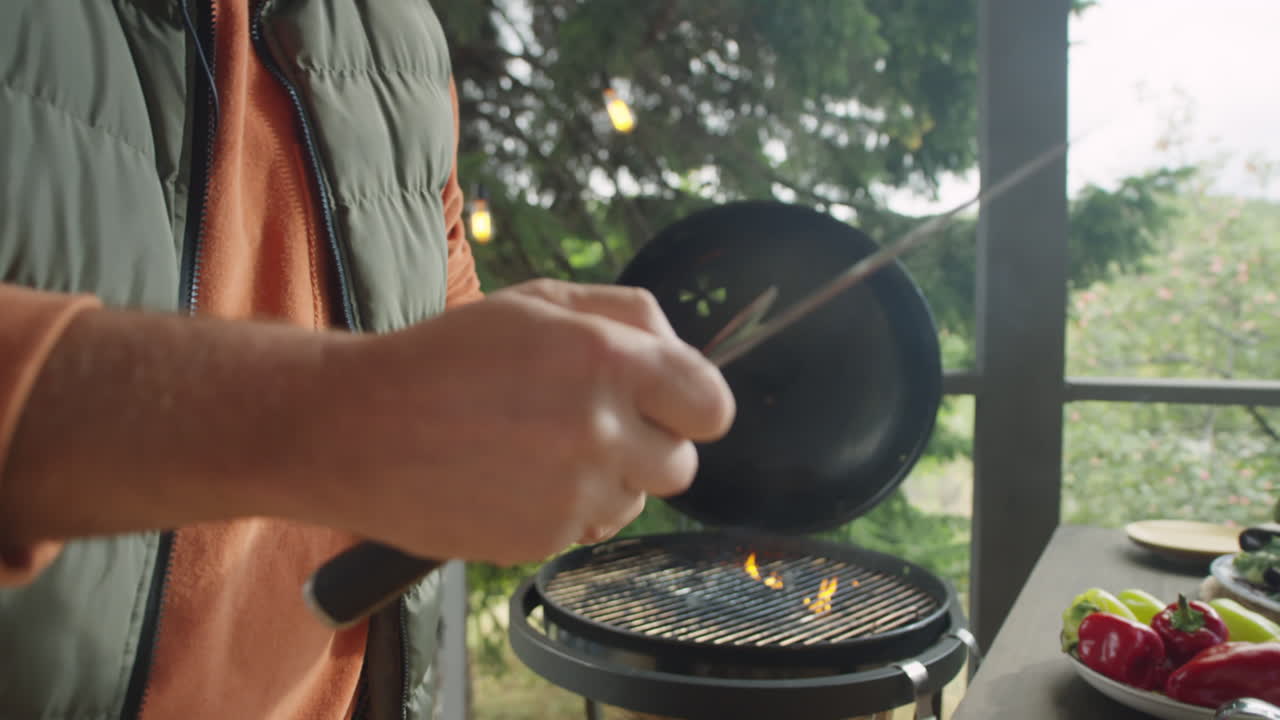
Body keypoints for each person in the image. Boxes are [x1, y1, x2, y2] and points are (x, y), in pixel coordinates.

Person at [0, 3, 735, 719]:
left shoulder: (403, 39)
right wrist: (340, 414)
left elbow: (445, 324)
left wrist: (546, 412)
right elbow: (386, 400)